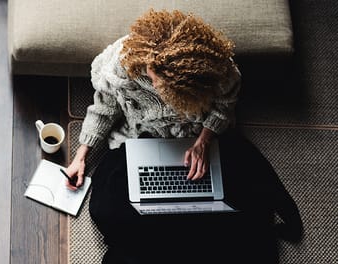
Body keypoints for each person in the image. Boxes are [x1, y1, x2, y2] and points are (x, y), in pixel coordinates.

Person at [64, 9, 302, 264]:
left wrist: (203, 142)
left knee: (235, 203)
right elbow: (104, 108)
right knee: (108, 212)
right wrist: (81, 156)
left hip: (194, 139)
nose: (157, 89)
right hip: (139, 139)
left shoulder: (217, 72)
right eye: (156, 80)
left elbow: (224, 107)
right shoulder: (121, 64)